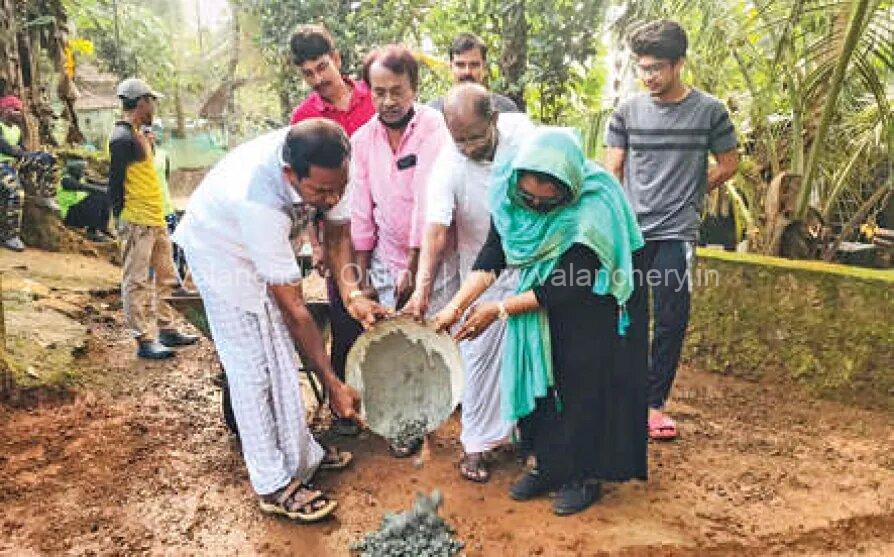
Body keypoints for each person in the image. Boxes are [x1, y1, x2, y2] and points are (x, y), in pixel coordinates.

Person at [172, 119, 390, 522]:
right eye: (321, 192)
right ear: (290, 175)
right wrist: (333, 384)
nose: (332, 197)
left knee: (279, 358)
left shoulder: (336, 166)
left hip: (258, 243)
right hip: (221, 251)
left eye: (337, 189)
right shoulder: (259, 199)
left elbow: (339, 236)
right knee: (253, 370)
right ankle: (272, 484)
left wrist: (352, 294)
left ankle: (302, 455)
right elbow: (296, 311)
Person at [434, 128, 648, 516]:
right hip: (538, 306)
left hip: (590, 308)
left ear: (568, 190)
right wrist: (455, 307)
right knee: (543, 386)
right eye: (528, 198)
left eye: (547, 204)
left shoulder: (593, 208)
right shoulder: (508, 193)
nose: (534, 208)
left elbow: (565, 286)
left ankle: (583, 476)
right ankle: (548, 466)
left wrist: (498, 311)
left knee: (580, 387)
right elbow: (494, 256)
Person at [604, 20, 738, 440]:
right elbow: (613, 166)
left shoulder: (710, 111)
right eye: (643, 68)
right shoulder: (627, 111)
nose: (649, 76)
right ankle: (626, 396)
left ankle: (652, 404)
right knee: (628, 313)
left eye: (658, 67)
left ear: (680, 63)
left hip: (677, 232)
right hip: (633, 231)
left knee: (670, 319)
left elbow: (730, 163)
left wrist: (695, 192)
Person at [405, 83, 534, 482]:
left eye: (476, 137)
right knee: (477, 361)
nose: (469, 147)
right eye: (460, 140)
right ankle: (475, 446)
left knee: (532, 355)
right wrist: (422, 291)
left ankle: (531, 438)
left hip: (533, 267)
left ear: (494, 119)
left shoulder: (526, 138)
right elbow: (436, 229)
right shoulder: (449, 162)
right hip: (481, 270)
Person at [351, 44, 457, 456]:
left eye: (397, 91)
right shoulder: (362, 140)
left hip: (434, 256)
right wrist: (361, 279)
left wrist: (415, 271)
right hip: (384, 256)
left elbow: (428, 204)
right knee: (394, 341)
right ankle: (406, 422)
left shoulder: (435, 130)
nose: (389, 101)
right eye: (379, 92)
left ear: (414, 88)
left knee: (428, 334)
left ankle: (437, 409)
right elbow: (361, 210)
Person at [288, 23, 377, 437]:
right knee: (344, 319)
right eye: (308, 73)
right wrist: (315, 244)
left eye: (322, 67)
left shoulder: (375, 98)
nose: (318, 78)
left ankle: (386, 395)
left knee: (385, 309)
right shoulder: (303, 119)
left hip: (380, 226)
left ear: (337, 59)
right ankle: (347, 407)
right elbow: (304, 191)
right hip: (336, 232)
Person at [109, 78, 197, 360]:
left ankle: (166, 327)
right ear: (141, 102)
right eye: (152, 101)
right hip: (136, 220)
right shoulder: (121, 138)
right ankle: (144, 338)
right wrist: (119, 217)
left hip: (155, 217)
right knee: (136, 280)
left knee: (168, 276)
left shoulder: (139, 134)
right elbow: (115, 183)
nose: (154, 106)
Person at [0, 94, 59, 252]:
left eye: (20, 110)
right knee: (16, 192)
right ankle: (9, 235)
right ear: (5, 110)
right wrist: (26, 155)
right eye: (15, 110)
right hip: (1, 165)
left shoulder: (16, 130)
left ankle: (46, 194)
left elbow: (21, 150)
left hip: (14, 164)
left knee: (48, 159)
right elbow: (7, 149)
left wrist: (35, 156)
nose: (19, 113)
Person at [428, 33, 519, 114]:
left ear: (484, 67)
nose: (467, 72)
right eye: (460, 65)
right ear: (451, 67)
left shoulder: (505, 109)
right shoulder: (434, 111)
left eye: (474, 65)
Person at [58, 158, 113, 243]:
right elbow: (83, 187)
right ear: (75, 170)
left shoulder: (79, 178)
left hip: (76, 211)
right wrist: (103, 190)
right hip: (69, 215)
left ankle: (102, 228)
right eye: (81, 170)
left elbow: (97, 183)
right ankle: (92, 232)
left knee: (105, 196)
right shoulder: (66, 180)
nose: (83, 172)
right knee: (97, 197)